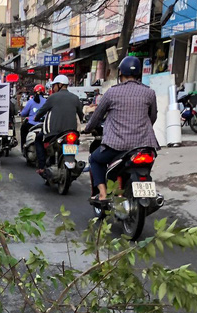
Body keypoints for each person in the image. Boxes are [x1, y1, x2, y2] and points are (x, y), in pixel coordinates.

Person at [84, 55, 158, 204]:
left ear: (120, 73)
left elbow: (97, 116)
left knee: (95, 159)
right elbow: (152, 117)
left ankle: (103, 194)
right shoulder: (149, 92)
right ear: (138, 74)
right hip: (144, 146)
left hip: (117, 145)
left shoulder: (112, 92)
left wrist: (87, 129)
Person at [32, 74, 83, 174]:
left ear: (59, 85)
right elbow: (80, 115)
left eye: (54, 85)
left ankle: (42, 167)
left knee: (38, 139)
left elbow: (41, 111)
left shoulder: (53, 98)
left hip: (55, 133)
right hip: (72, 132)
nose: (53, 88)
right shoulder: (75, 98)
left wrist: (36, 118)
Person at [19, 85, 46, 149]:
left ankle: (24, 146)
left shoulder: (30, 101)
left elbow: (23, 113)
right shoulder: (46, 101)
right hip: (43, 125)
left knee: (23, 129)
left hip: (31, 125)